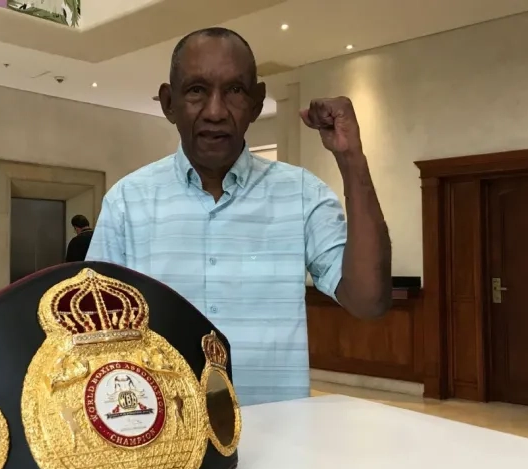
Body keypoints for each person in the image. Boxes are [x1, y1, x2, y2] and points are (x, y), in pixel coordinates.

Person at [86, 27, 392, 406]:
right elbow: (95, 334)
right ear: (169, 102)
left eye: (234, 91)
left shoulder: (301, 195)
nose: (215, 111)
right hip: (165, 446)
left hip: (284, 437)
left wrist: (351, 160)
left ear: (257, 103)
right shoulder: (127, 202)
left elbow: (369, 301)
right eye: (197, 90)